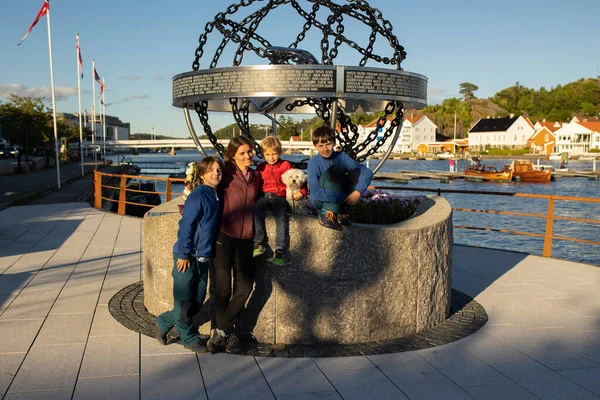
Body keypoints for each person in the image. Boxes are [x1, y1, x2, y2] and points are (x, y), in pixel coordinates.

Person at [154, 156, 224, 353]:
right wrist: (184, 254)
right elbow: (186, 226)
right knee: (185, 301)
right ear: (202, 174)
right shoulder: (198, 196)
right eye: (210, 170)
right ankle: (189, 338)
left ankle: (164, 320)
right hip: (187, 256)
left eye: (218, 170)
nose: (215, 173)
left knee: (197, 298)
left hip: (202, 256)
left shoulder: (216, 195)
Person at [207, 136, 261, 354]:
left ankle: (220, 331)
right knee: (223, 287)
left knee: (245, 286)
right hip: (224, 234)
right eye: (242, 153)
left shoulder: (256, 176)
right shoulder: (225, 172)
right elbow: (206, 182)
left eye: (250, 151)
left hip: (247, 236)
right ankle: (229, 337)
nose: (248, 156)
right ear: (232, 156)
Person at [253, 136, 307, 265]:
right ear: (263, 154)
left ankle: (280, 248)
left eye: (274, 154)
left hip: (280, 196)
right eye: (268, 154)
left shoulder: (286, 165)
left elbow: (300, 180)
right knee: (256, 210)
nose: (271, 157)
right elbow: (255, 184)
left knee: (281, 217)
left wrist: (303, 192)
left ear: (280, 153)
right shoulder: (261, 167)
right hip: (264, 195)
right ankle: (258, 242)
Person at [307, 126, 374, 231]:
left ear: (334, 143)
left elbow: (367, 172)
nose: (325, 149)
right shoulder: (313, 163)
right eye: (321, 145)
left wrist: (357, 192)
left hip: (340, 196)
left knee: (356, 172)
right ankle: (327, 213)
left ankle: (340, 213)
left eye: (328, 144)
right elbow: (315, 192)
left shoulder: (341, 156)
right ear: (315, 146)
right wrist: (342, 198)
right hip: (320, 199)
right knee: (335, 171)